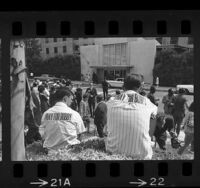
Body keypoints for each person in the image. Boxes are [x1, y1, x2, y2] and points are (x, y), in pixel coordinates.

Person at [106, 74, 158, 159]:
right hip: (142, 154)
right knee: (152, 116)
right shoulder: (147, 102)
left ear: (123, 87)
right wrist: (149, 137)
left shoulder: (111, 101)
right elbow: (154, 116)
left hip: (113, 151)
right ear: (140, 87)